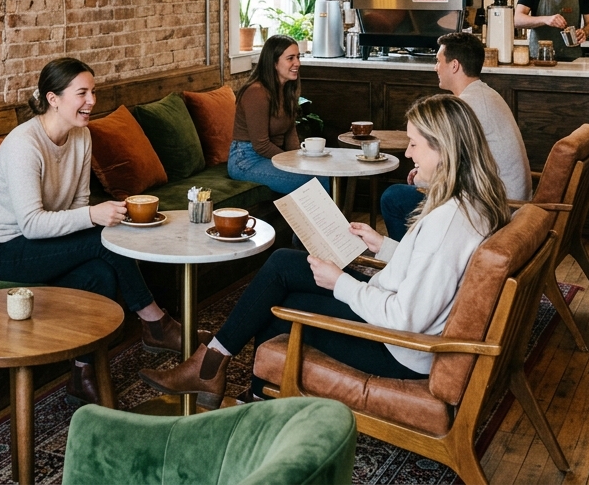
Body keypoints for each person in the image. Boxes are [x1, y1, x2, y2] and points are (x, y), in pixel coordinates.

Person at [139, 93, 510, 408]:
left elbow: (406, 318)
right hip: (397, 320)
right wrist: (383, 246)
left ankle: (234, 389)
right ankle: (213, 368)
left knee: (276, 312)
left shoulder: (447, 222)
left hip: (400, 348)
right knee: (285, 264)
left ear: (444, 149)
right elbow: (435, 271)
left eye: (415, 144)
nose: (409, 152)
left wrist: (340, 284)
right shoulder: (470, 203)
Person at [0, 58, 202, 406]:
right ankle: (155, 321)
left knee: (99, 273)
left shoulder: (81, 136)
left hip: (39, 241)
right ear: (53, 98)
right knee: (102, 239)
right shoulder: (25, 145)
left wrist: (94, 214)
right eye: (82, 93)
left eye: (93, 92)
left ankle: (82, 375)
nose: (91, 101)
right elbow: (32, 223)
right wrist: (94, 216)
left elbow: (78, 204)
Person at [379, 32, 531, 239]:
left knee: (393, 197)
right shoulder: (487, 94)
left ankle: (405, 263)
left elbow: (452, 164)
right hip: (503, 199)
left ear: (455, 65)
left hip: (497, 208)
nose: (435, 67)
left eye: (438, 61)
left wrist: (423, 180)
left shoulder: (466, 106)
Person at [228, 34, 329, 195]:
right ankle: (330, 221)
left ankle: (324, 221)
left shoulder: (287, 90)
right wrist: (291, 163)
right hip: (246, 160)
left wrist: (299, 159)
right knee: (315, 181)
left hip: (271, 156)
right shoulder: (256, 93)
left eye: (298, 57)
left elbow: (290, 133)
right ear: (274, 63)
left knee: (324, 173)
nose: (297, 63)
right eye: (290, 58)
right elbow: (261, 145)